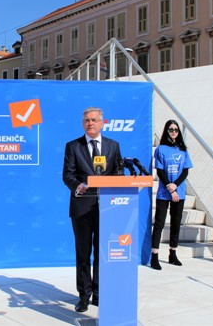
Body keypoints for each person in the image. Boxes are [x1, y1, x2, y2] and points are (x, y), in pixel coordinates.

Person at [62, 107, 122, 313]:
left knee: (102, 253)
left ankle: (99, 293)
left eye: (94, 120)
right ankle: (84, 295)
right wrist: (77, 186)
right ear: (83, 123)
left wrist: (116, 181)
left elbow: (118, 172)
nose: (90, 123)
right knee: (83, 253)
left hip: (107, 207)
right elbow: (67, 175)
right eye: (87, 120)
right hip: (82, 207)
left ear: (102, 123)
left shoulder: (113, 146)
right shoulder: (73, 146)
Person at [150, 120, 193, 270]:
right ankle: (154, 256)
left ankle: (172, 254)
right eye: (170, 129)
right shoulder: (160, 149)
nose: (173, 132)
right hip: (164, 192)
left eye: (176, 129)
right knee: (159, 224)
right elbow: (160, 170)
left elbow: (185, 171)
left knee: (175, 223)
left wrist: (176, 186)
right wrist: (171, 188)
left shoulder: (182, 149)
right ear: (166, 131)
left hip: (179, 192)